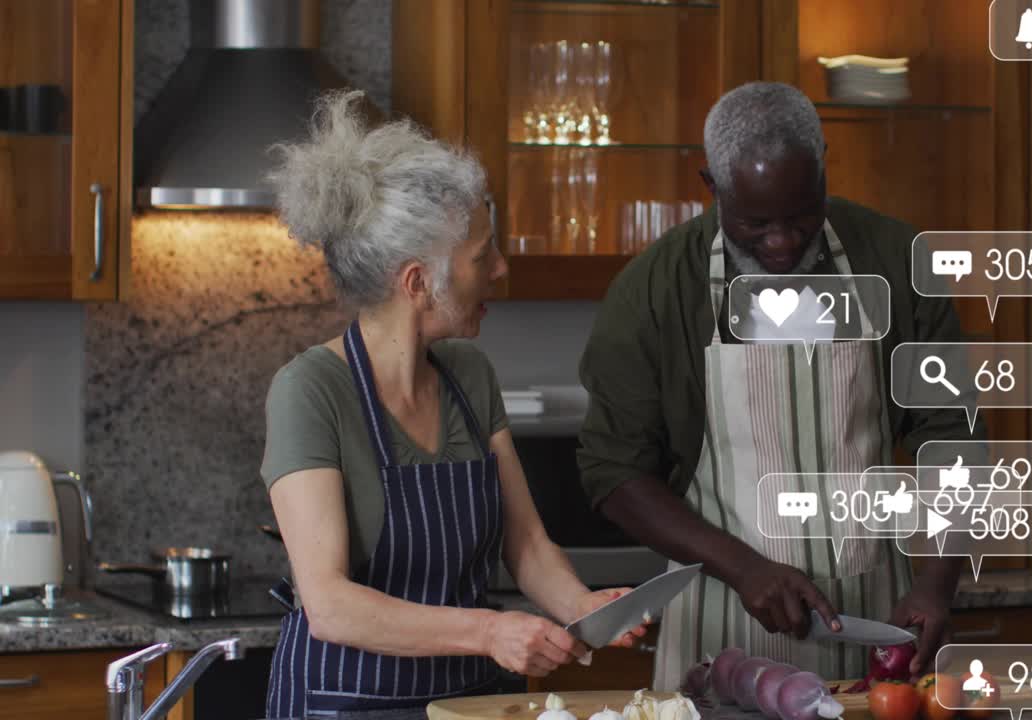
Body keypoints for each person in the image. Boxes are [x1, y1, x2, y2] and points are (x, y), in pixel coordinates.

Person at [577, 82, 981, 689]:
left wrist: (935, 581)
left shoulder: (896, 260)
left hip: (878, 621)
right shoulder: (655, 290)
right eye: (755, 223)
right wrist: (744, 568)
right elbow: (615, 472)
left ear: (823, 164)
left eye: (800, 215)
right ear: (711, 186)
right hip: (721, 630)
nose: (783, 243)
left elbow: (951, 433)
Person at [261, 90, 643, 718]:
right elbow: (328, 604)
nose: (500, 266)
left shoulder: (470, 374)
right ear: (417, 283)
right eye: (480, 256)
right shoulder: (310, 391)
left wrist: (582, 607)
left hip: (472, 703)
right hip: (345, 702)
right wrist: (491, 632)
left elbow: (525, 542)